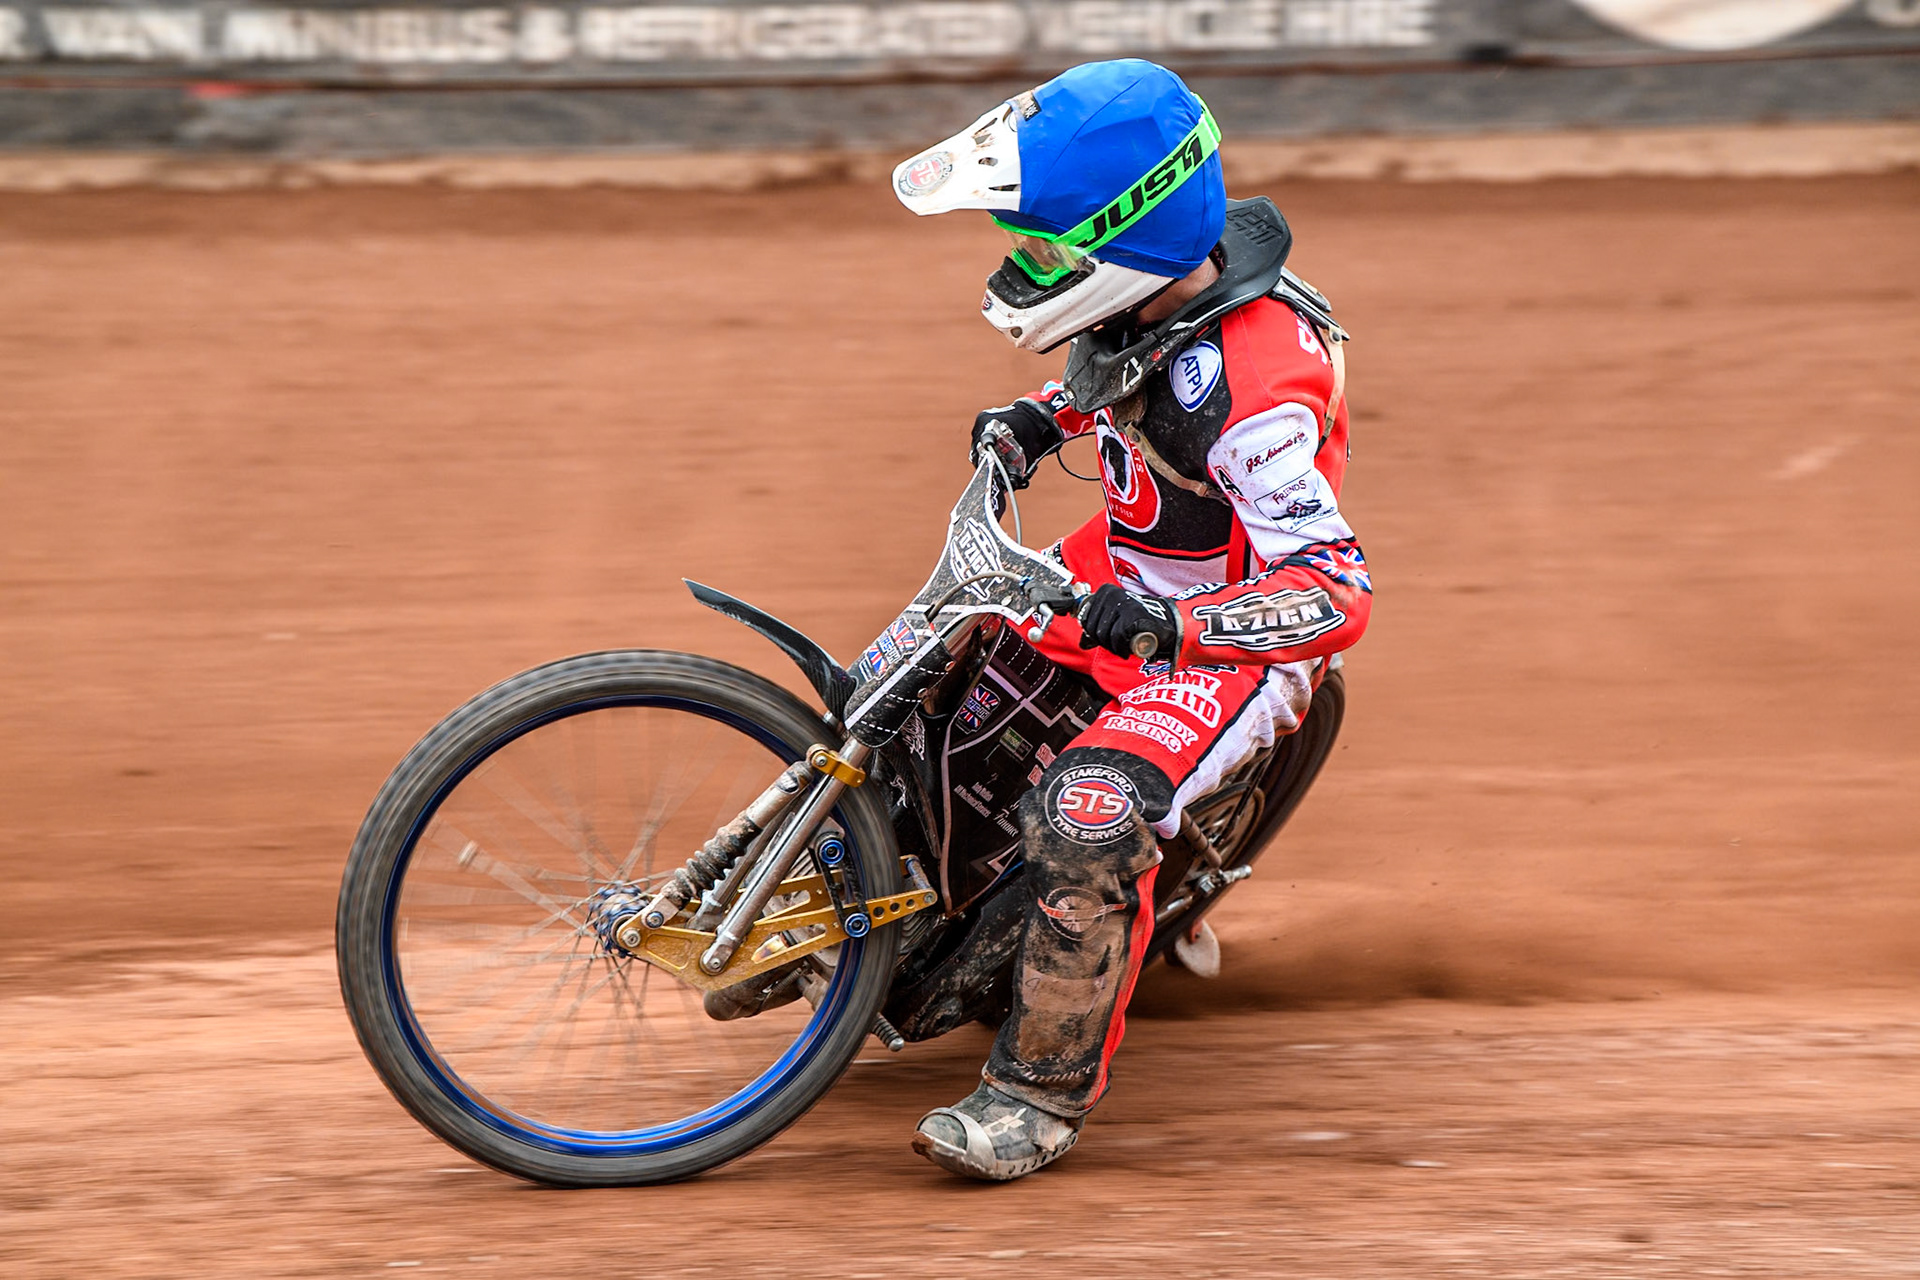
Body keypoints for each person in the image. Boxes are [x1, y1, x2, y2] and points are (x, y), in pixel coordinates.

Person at [890, 58, 1373, 1181]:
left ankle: (1037, 1095)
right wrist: (1037, 416)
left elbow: (1337, 586)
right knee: (915, 650)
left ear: (1132, 237)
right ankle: (855, 881)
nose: (1026, 266)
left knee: (1088, 814)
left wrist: (1177, 633)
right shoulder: (1156, 296)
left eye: (1050, 250)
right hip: (1117, 571)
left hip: (1226, 635)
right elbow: (1121, 368)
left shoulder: (1254, 395)